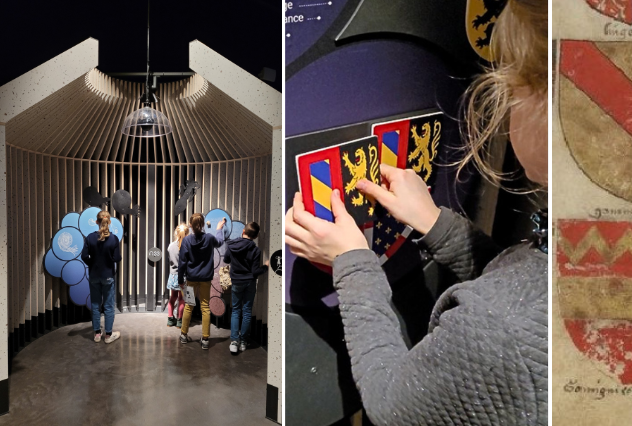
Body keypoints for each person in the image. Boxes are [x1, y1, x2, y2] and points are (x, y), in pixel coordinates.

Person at [284, 0, 548, 424]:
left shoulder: (502, 332)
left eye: (514, 85)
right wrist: (437, 225)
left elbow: (392, 407)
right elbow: (521, 282)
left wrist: (351, 264)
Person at [178, 213, 225, 350]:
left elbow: (182, 262)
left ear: (190, 225)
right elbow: (220, 242)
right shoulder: (209, 238)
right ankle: (205, 339)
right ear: (203, 224)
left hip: (191, 279)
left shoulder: (186, 241)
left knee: (189, 306)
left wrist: (181, 280)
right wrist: (219, 229)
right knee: (205, 307)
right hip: (205, 279)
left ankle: (183, 335)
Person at [223, 222, 269, 354]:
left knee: (236, 310)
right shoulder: (256, 250)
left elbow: (226, 260)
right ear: (255, 237)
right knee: (247, 311)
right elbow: (255, 271)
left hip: (236, 282)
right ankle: (243, 342)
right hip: (249, 282)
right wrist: (265, 266)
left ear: (243, 231)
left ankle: (234, 342)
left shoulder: (231, 245)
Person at [81, 211, 123, 344]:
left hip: (94, 275)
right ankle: (108, 335)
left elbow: (84, 256)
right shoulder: (114, 239)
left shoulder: (90, 238)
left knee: (95, 305)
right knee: (109, 306)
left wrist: (92, 264)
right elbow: (117, 258)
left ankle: (97, 334)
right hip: (108, 276)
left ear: (96, 222)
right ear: (109, 222)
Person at [166, 223, 189, 328]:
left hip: (173, 276)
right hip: (183, 276)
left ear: (176, 233)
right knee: (182, 299)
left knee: (172, 298)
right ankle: (180, 321)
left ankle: (170, 319)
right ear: (187, 234)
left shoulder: (171, 246)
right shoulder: (187, 246)